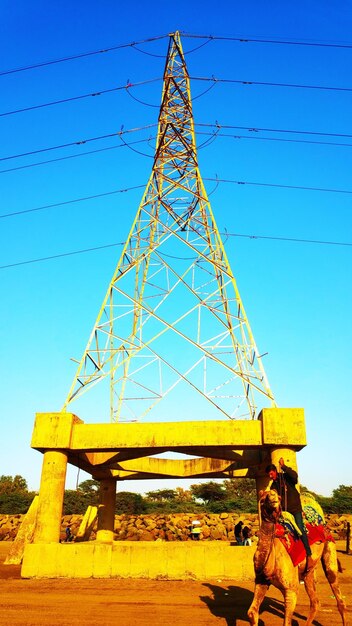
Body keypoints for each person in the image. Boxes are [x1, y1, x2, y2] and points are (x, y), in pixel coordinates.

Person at [266, 457, 313, 569]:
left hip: (295, 509)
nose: (270, 476)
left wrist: (284, 467)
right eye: (269, 475)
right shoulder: (273, 486)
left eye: (271, 473)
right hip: (284, 512)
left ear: (275, 471)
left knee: (300, 529)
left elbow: (295, 477)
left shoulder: (286, 476)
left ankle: (309, 554)